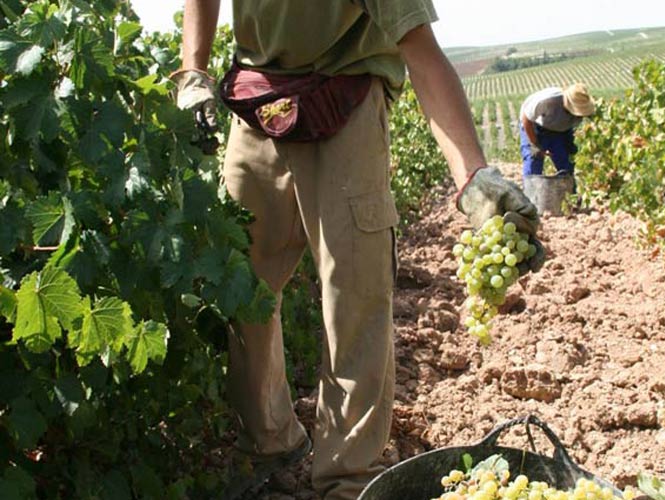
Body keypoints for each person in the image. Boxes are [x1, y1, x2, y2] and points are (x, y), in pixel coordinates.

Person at [171, 1, 542, 499]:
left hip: (343, 104)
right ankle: (268, 442)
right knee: (240, 285)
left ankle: (349, 480)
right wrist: (192, 68)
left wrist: (472, 178)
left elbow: (421, 53)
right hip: (256, 102)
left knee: (355, 300)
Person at [519, 83, 595, 178]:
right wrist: (535, 144)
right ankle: (530, 190)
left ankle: (567, 190)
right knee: (534, 160)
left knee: (566, 163)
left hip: (561, 130)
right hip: (535, 126)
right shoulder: (547, 101)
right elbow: (526, 118)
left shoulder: (584, 106)